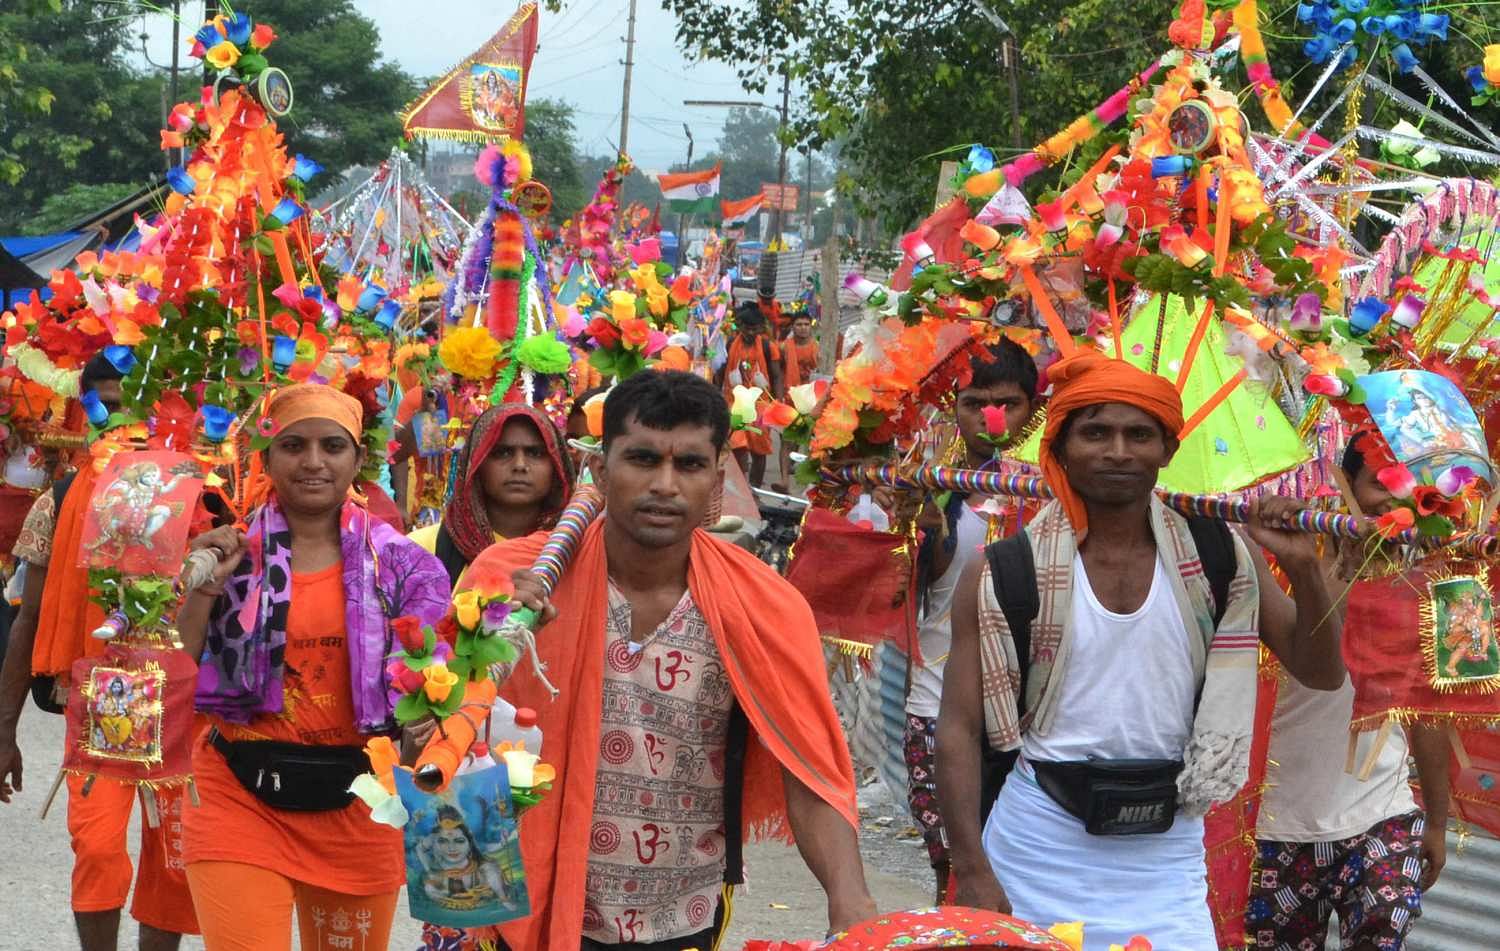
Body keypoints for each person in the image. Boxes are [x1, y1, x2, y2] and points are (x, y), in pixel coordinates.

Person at [937, 351, 1342, 950]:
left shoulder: (1220, 555)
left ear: (1168, 451)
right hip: (1039, 845)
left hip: (1166, 851)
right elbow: (957, 729)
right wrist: (972, 869)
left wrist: (1304, 569)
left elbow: (1320, 671)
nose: (1118, 452)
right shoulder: (1005, 569)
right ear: (1060, 447)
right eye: (1096, 433)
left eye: (1139, 435)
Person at [459, 370, 874, 949]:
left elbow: (807, 768)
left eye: (690, 465)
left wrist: (850, 905)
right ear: (600, 471)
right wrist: (491, 636)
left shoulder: (763, 604)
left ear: (718, 476)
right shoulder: (511, 583)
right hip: (525, 906)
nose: (664, 484)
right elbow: (431, 742)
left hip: (683, 916)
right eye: (643, 459)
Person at [176, 383, 451, 951]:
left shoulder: (404, 567)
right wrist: (204, 591)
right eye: (294, 446)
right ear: (268, 457)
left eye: (332, 446)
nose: (313, 462)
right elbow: (177, 666)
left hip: (358, 805)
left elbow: (434, 678)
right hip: (235, 796)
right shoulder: (227, 553)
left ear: (358, 459)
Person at [0, 353, 199, 951]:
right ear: (84, 409)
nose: (124, 422)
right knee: (96, 847)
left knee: (174, 854)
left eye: (135, 405)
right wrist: (4, 730)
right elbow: (27, 621)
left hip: (180, 708)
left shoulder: (197, 496)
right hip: (99, 704)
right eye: (108, 406)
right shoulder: (59, 500)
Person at [1246, 436, 1451, 950]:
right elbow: (1322, 659)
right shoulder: (1285, 547)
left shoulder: (1432, 585)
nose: (1394, 499)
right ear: (1346, 485)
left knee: (1382, 934)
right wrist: (1333, 566)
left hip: (1380, 815)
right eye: (1380, 482)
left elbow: (1426, 714)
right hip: (1274, 825)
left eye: (1409, 485)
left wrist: (1437, 824)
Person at [905, 338, 1039, 906]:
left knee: (1027, 886)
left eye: (1010, 404)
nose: (994, 419)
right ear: (953, 408)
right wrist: (914, 521)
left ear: (1036, 407)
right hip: (937, 710)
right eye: (976, 403)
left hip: (1033, 720)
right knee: (956, 877)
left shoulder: (1061, 492)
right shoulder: (926, 484)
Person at [409, 403, 575, 586]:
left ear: (557, 466)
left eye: (535, 453)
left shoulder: (576, 550)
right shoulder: (421, 549)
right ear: (476, 463)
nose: (519, 465)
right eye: (502, 453)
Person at [715, 302, 782, 488]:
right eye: (747, 328)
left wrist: (778, 402)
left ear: (761, 328)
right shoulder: (730, 344)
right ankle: (742, 486)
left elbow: (776, 376)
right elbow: (720, 371)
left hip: (760, 404)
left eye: (754, 329)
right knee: (737, 445)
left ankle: (755, 488)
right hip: (734, 401)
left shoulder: (769, 347)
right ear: (740, 326)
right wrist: (716, 394)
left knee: (759, 450)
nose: (751, 333)